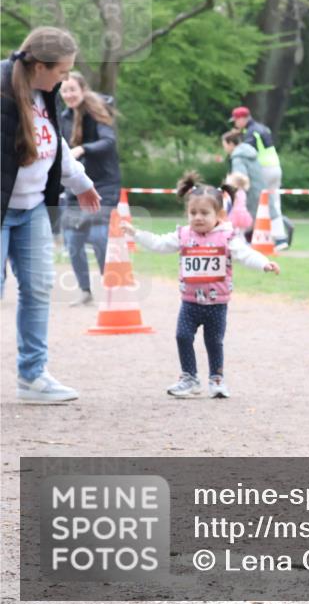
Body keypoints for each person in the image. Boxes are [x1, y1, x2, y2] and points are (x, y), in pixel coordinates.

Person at [1, 27, 101, 403]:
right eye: (62, 71)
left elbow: (53, 142)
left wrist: (81, 182)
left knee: (39, 288)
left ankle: (32, 377)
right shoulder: (2, 88)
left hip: (31, 210)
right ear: (40, 66)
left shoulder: (46, 92)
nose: (65, 79)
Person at [122, 172, 279, 399]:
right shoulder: (183, 235)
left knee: (214, 341)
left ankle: (216, 379)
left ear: (220, 215)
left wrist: (264, 263)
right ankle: (189, 378)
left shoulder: (227, 236)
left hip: (217, 303)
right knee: (182, 336)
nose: (198, 218)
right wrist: (137, 234)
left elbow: (245, 255)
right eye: (193, 213)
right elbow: (159, 244)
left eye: (205, 213)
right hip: (190, 302)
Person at [58, 71, 121, 307]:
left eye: (72, 89)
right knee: (73, 241)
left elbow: (109, 142)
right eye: (64, 90)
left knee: (97, 237)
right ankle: (85, 291)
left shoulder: (96, 112)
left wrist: (83, 149)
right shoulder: (63, 118)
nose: (69, 94)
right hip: (75, 186)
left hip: (103, 184)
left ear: (83, 90)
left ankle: (110, 288)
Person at [230, 106, 287, 248]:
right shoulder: (263, 128)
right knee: (274, 203)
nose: (235, 124)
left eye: (236, 120)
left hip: (263, 169)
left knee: (257, 202)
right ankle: (279, 236)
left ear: (243, 119)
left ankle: (256, 235)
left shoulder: (251, 132)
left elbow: (248, 152)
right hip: (276, 167)